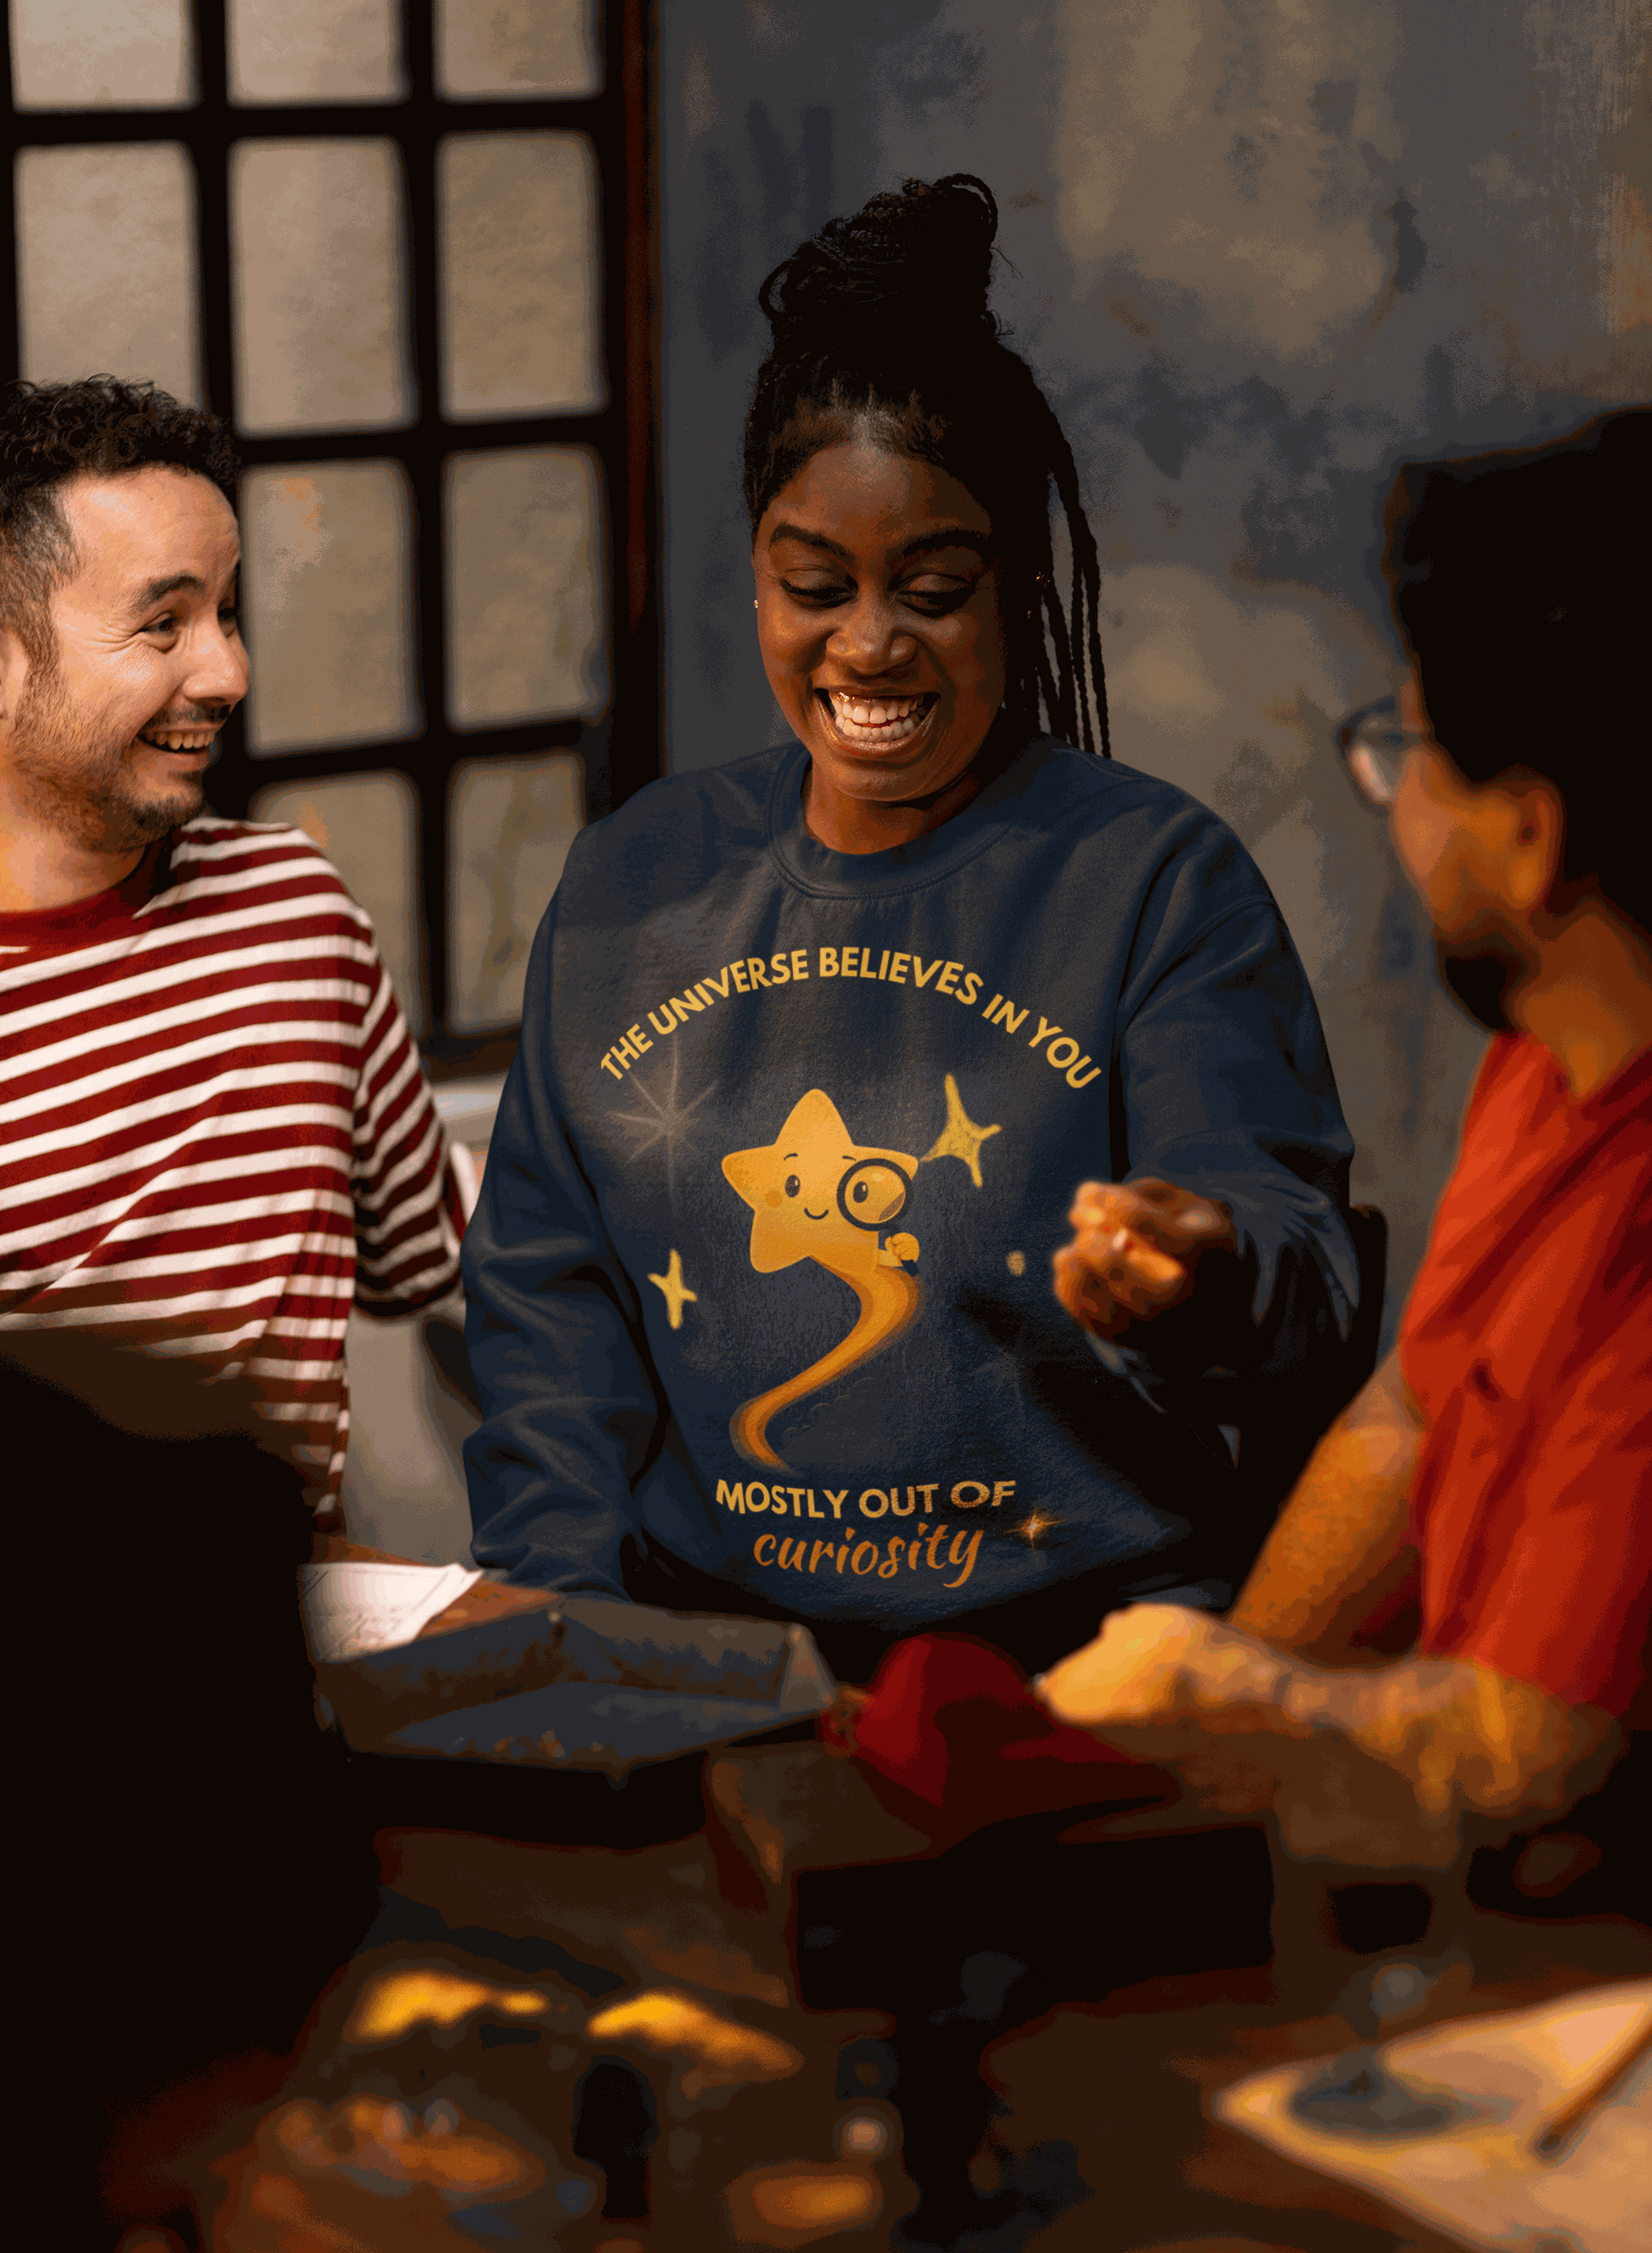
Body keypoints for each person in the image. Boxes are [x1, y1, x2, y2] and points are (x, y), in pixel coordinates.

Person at [462, 175, 1365, 1683]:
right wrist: (568, 1631)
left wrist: (1204, 1269)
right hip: (713, 1673)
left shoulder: (1151, 879)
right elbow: (548, 1309)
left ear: (1015, 586)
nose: (869, 642)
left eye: (932, 590)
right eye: (815, 586)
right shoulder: (634, 880)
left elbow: (1287, 1243)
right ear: (754, 573)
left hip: (1082, 1671)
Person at [1039, 407, 1652, 1877]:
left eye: (1408, 750)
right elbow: (1413, 1417)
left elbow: (1532, 1753)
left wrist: (1213, 1701)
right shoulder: (1545, 1055)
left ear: (1528, 835)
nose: (1392, 804)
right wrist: (1207, 1712)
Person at [0, 376, 465, 1526]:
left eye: (226, 611)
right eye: (163, 623)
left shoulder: (297, 913)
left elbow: (430, 1258)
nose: (226, 675)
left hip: (283, 1663)